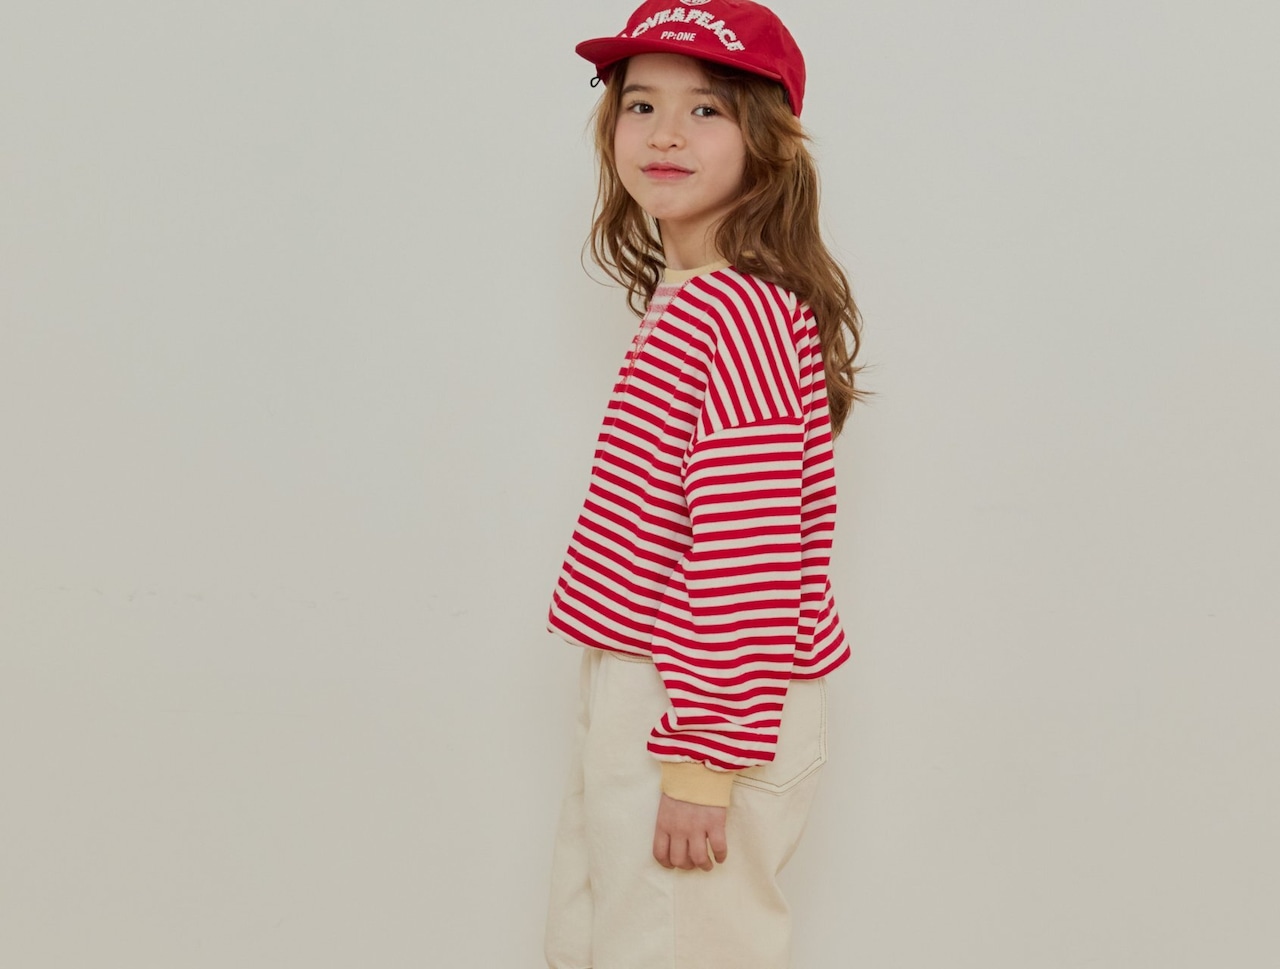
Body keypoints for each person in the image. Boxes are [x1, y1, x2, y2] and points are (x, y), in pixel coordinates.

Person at [544, 2, 867, 966]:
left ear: (768, 141)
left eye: (707, 110)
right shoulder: (693, 298)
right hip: (655, 683)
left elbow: (747, 551)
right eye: (641, 104)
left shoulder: (743, 314)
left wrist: (704, 757)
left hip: (700, 704)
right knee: (598, 940)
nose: (666, 134)